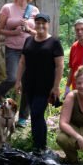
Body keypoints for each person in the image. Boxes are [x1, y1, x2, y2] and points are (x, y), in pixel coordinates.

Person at [0, 0, 39, 127]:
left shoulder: (34, 10)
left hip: (29, 50)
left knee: (27, 83)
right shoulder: (8, 8)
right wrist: (13, 32)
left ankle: (23, 117)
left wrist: (29, 30)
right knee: (12, 78)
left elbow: (39, 32)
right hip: (12, 49)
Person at [15, 14, 64, 151]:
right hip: (29, 84)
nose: (41, 25)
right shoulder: (29, 40)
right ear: (34, 24)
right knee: (35, 114)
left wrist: (56, 87)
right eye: (38, 22)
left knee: (37, 113)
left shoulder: (54, 43)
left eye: (44, 23)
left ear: (48, 24)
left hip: (45, 86)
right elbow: (22, 62)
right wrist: (18, 80)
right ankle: (37, 144)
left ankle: (41, 146)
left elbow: (60, 66)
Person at [66, 18, 83, 94]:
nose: (80, 32)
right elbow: (72, 69)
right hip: (76, 90)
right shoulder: (74, 46)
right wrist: (67, 87)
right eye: (77, 30)